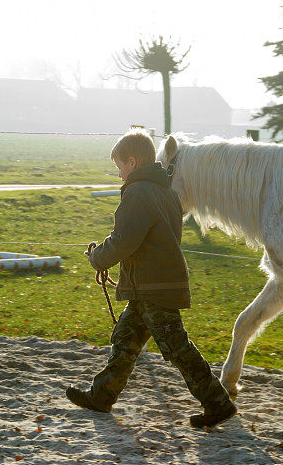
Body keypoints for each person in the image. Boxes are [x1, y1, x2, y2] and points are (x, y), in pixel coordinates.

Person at [66, 130, 237, 428]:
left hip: (153, 288)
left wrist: (97, 258)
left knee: (176, 348)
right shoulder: (168, 194)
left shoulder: (137, 193)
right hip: (150, 286)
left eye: (120, 166)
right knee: (124, 340)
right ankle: (101, 396)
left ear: (132, 162)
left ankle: (217, 402)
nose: (119, 174)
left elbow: (123, 240)